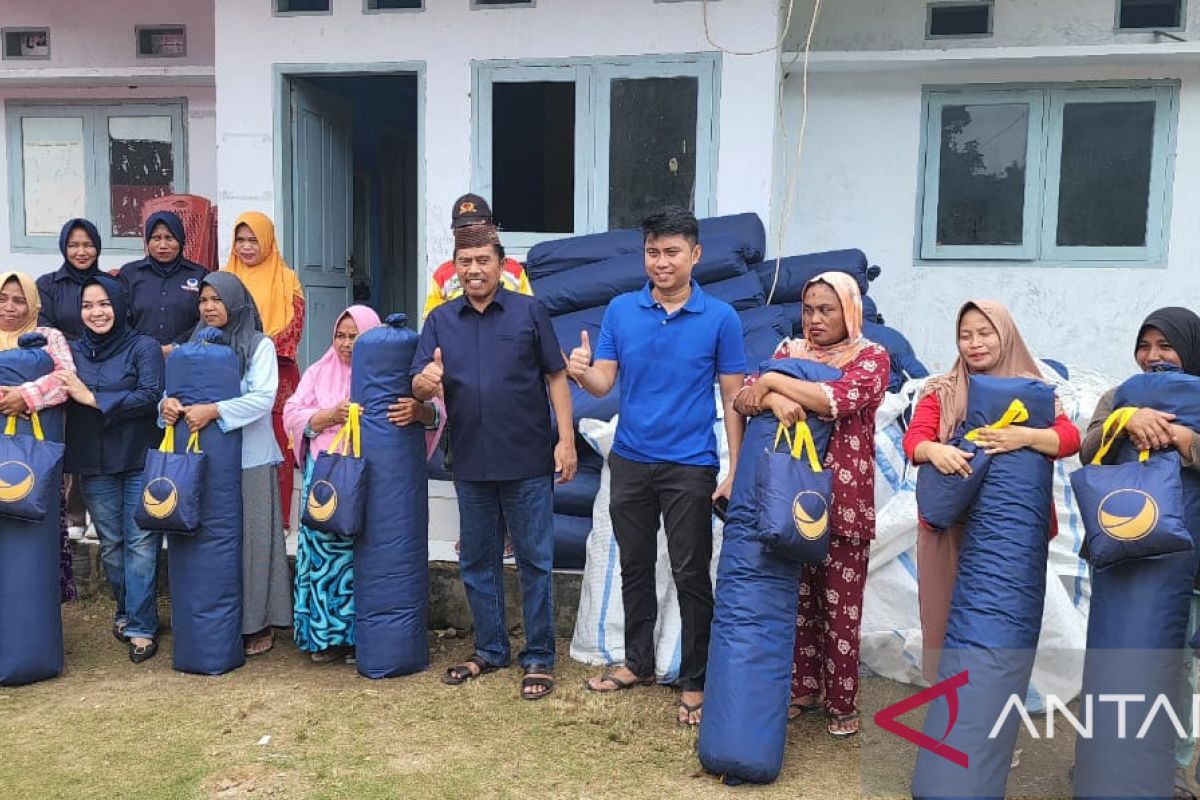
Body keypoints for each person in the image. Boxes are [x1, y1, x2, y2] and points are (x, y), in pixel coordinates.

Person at [573, 206, 747, 727]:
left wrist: (734, 469)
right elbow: (605, 382)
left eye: (672, 252)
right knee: (634, 566)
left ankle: (696, 680)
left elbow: (735, 397)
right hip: (630, 460)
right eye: (653, 252)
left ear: (695, 255)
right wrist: (582, 374)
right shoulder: (622, 311)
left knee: (692, 572)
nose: (661, 262)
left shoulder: (721, 319)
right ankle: (638, 663)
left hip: (689, 466)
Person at [412, 220, 576, 701]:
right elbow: (418, 383)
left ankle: (540, 656)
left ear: (501, 265)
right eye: (465, 262)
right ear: (455, 269)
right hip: (469, 461)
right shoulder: (441, 321)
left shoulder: (529, 312)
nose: (474, 269)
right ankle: (490, 648)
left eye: (483, 260)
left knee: (535, 561)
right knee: (478, 561)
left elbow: (557, 378)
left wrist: (565, 440)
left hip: (526, 460)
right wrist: (427, 379)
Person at [734, 271, 889, 738]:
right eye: (809, 310)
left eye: (828, 310)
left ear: (851, 311)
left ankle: (842, 700)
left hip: (844, 496)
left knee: (841, 606)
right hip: (789, 492)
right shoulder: (789, 351)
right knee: (796, 596)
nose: (816, 320)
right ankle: (801, 690)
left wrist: (775, 386)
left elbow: (837, 399)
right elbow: (743, 398)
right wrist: (770, 393)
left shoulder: (871, 357)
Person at [903, 301, 1079, 684]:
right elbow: (915, 438)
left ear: (1006, 335)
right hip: (951, 524)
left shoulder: (1036, 394)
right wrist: (935, 449)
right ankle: (950, 715)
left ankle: (992, 725)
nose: (974, 344)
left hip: (1007, 531)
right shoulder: (943, 390)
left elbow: (1069, 439)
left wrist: (1026, 436)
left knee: (1000, 625)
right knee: (944, 617)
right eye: (965, 336)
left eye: (985, 333)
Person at [1077, 307, 1200, 800]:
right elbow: (1088, 450)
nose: (1153, 356)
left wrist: (1184, 437)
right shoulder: (1119, 396)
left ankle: (1175, 769)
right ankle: (1110, 759)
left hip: (1188, 560)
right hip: (1127, 553)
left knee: (1179, 668)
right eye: (1144, 346)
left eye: (1165, 346)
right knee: (1117, 658)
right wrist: (1127, 420)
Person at [283, 305, 444, 665]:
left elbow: (437, 411)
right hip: (330, 476)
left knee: (366, 559)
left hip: (376, 480)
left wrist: (419, 412)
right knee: (327, 553)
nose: (345, 344)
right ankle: (324, 637)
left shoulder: (395, 371)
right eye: (340, 336)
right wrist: (328, 416)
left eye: (355, 336)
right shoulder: (318, 372)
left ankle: (364, 637)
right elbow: (293, 413)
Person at [162, 272, 291, 656]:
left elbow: (263, 399)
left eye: (217, 299)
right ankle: (221, 621)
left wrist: (215, 410)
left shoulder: (257, 344)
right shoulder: (192, 345)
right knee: (213, 543)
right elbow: (174, 395)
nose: (209, 307)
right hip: (208, 459)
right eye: (203, 300)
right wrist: (165, 406)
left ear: (235, 301)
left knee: (254, 542)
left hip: (249, 458)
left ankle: (257, 622)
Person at [57, 277, 165, 662]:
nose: (96, 312)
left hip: (138, 456)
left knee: (140, 542)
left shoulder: (144, 347)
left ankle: (140, 626)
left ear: (119, 304)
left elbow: (150, 395)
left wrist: (92, 398)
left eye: (104, 303)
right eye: (87, 305)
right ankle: (126, 610)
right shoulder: (71, 352)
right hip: (94, 461)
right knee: (113, 545)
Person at [423, 193, 531, 561]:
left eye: (477, 227)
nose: (469, 233)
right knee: (464, 463)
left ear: (493, 230)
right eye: (462, 229)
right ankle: (475, 532)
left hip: (506, 380)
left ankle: (508, 535)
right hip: (461, 384)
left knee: (509, 463)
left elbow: (529, 316)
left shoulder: (512, 270)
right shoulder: (444, 274)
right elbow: (432, 322)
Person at [223, 212, 305, 534]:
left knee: (278, 447)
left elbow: (294, 327)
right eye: (240, 240)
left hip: (277, 373)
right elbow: (212, 320)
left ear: (267, 241)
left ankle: (279, 519)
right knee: (232, 443)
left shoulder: (287, 279)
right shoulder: (224, 277)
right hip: (229, 371)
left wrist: (258, 350)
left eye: (253, 240)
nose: (246, 247)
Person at [0, 270, 78, 601]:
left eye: (19, 300)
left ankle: (30, 623)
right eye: (2, 299)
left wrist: (25, 395)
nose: (9, 307)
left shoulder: (48, 337)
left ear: (33, 304)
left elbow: (66, 378)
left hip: (31, 455)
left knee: (32, 537)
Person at [36, 218, 100, 540]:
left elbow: (114, 322)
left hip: (102, 371)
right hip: (61, 372)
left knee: (96, 443)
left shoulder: (108, 282)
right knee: (66, 441)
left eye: (87, 244)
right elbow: (44, 327)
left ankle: (96, 515)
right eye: (74, 245)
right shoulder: (48, 284)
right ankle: (72, 514)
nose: (81, 251)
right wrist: (74, 353)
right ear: (63, 247)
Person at [118, 210, 207, 356]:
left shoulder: (199, 274)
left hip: (187, 355)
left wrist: (176, 346)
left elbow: (205, 319)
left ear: (180, 239)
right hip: (137, 356)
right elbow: (119, 318)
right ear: (148, 241)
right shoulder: (130, 274)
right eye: (156, 238)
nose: (163, 245)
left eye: (169, 238)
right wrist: (143, 346)